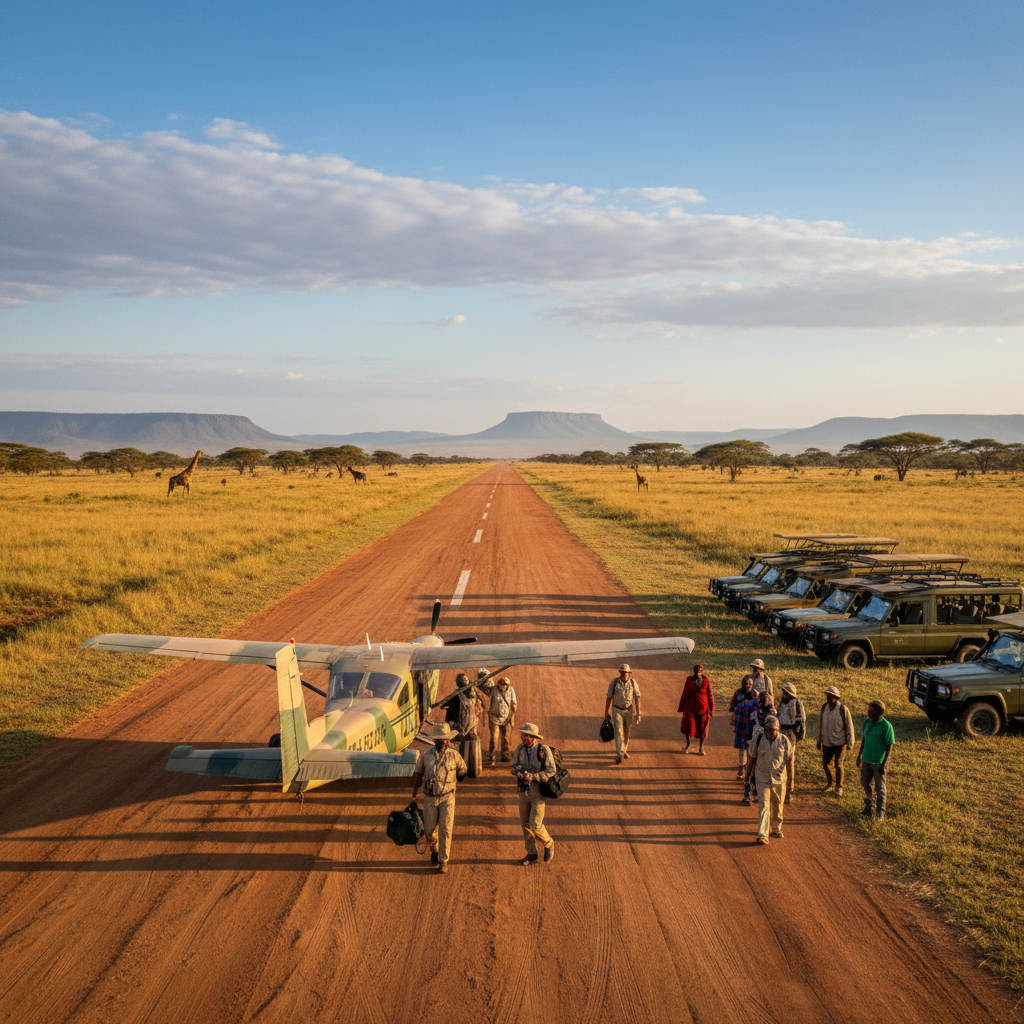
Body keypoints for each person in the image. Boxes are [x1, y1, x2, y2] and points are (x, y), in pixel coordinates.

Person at [411, 722, 467, 874]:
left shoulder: (454, 755)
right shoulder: (425, 755)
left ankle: (443, 861)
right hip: (430, 797)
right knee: (429, 830)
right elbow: (418, 774)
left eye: (446, 739)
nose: (444, 742)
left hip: (448, 797)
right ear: (435, 740)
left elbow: (463, 770)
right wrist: (414, 796)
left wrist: (456, 780)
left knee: (446, 829)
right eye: (441, 739)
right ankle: (435, 851)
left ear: (449, 740)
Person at [743, 715, 793, 845]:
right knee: (764, 805)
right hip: (762, 777)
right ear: (764, 729)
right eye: (768, 729)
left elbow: (790, 761)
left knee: (777, 804)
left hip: (779, 778)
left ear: (778, 729)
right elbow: (751, 757)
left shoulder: (784, 741)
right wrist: (747, 774)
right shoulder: (759, 739)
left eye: (773, 730)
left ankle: (776, 828)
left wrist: (791, 781)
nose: (770, 733)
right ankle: (763, 833)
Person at [510, 723, 556, 865]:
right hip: (523, 792)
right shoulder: (519, 749)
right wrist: (516, 771)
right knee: (526, 825)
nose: (526, 738)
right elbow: (512, 767)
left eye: (529, 736)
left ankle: (548, 842)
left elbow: (551, 771)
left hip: (537, 792)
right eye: (524, 735)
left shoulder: (543, 750)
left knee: (535, 824)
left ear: (535, 737)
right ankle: (531, 853)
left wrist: (534, 777)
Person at [856, 700, 895, 821]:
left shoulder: (886, 726)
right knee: (865, 783)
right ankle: (869, 807)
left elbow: (889, 746)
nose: (869, 713)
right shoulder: (867, 722)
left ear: (880, 712)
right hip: (866, 759)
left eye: (872, 711)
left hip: (879, 762)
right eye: (869, 710)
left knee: (880, 788)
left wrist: (885, 763)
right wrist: (859, 756)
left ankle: (880, 814)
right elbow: (864, 739)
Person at [817, 685, 855, 796]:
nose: (829, 698)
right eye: (828, 695)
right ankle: (830, 784)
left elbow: (849, 726)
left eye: (832, 696)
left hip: (840, 742)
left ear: (836, 698)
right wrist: (819, 740)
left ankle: (839, 787)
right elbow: (821, 724)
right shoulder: (824, 708)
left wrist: (850, 742)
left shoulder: (843, 709)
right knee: (825, 764)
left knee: (838, 765)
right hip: (827, 741)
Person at [743, 690, 776, 805]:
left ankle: (749, 794)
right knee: (755, 769)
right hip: (761, 744)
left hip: (758, 744)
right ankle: (752, 793)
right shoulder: (772, 715)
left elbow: (748, 728)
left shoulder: (756, 711)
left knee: (752, 769)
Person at [604, 663, 642, 765]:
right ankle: (619, 754)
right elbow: (609, 698)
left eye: (626, 672)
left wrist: (638, 713)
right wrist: (606, 711)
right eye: (623, 672)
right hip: (617, 711)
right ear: (620, 672)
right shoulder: (614, 683)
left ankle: (624, 750)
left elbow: (637, 697)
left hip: (628, 711)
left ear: (629, 673)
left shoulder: (633, 683)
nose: (624, 674)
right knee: (619, 732)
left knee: (626, 732)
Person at [775, 682, 805, 803]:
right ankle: (779, 788)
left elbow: (801, 721)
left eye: (785, 692)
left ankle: (789, 791)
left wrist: (798, 736)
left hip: (790, 734)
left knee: (789, 762)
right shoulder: (781, 702)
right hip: (780, 733)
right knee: (778, 760)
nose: (784, 695)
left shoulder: (797, 703)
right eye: (783, 692)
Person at [480, 674, 517, 765]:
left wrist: (511, 715)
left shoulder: (511, 690)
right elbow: (484, 689)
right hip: (494, 718)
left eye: (505, 685)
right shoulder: (493, 690)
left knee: (506, 738)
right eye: (502, 684)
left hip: (506, 718)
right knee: (494, 738)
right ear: (498, 684)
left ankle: (504, 756)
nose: (503, 686)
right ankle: (492, 756)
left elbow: (514, 703)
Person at [678, 664, 715, 755]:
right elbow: (685, 693)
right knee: (688, 726)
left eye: (699, 671)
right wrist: (681, 706)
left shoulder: (706, 681)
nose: (697, 672)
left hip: (703, 707)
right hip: (690, 707)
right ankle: (688, 744)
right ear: (694, 671)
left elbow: (710, 695)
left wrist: (711, 709)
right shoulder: (689, 680)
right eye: (696, 671)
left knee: (703, 728)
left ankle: (701, 747)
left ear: (701, 671)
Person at [731, 682, 760, 779]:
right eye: (747, 683)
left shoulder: (742, 704)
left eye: (751, 684)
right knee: (749, 750)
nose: (748, 685)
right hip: (750, 730)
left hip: (743, 729)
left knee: (744, 749)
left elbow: (734, 711)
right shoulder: (756, 705)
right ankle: (746, 771)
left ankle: (742, 769)